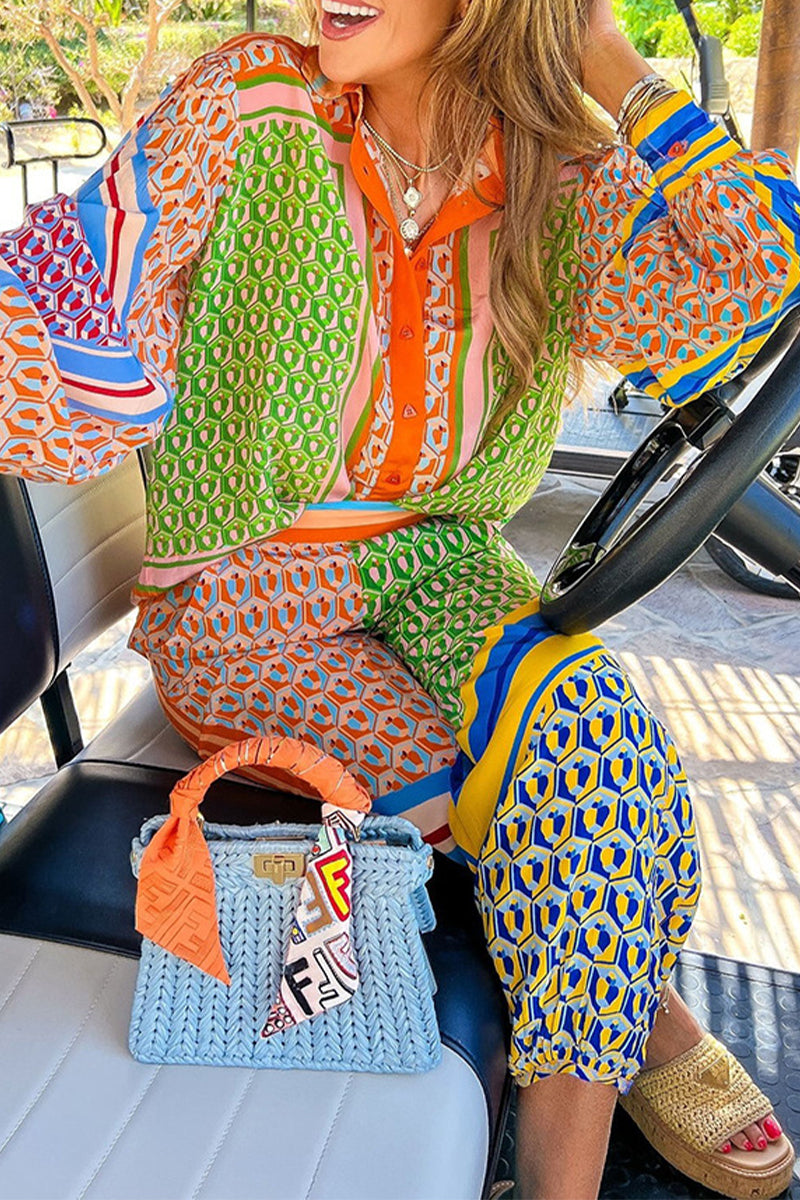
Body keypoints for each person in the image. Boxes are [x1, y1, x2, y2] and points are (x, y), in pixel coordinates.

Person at [0, 1, 798, 1196]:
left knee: (598, 742)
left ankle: (579, 1119)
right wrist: (79, 340)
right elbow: (67, 291)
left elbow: (755, 271)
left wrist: (597, 51)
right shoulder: (251, 106)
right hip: (244, 591)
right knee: (543, 805)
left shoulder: (557, 175)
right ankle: (638, 1018)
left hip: (442, 561)